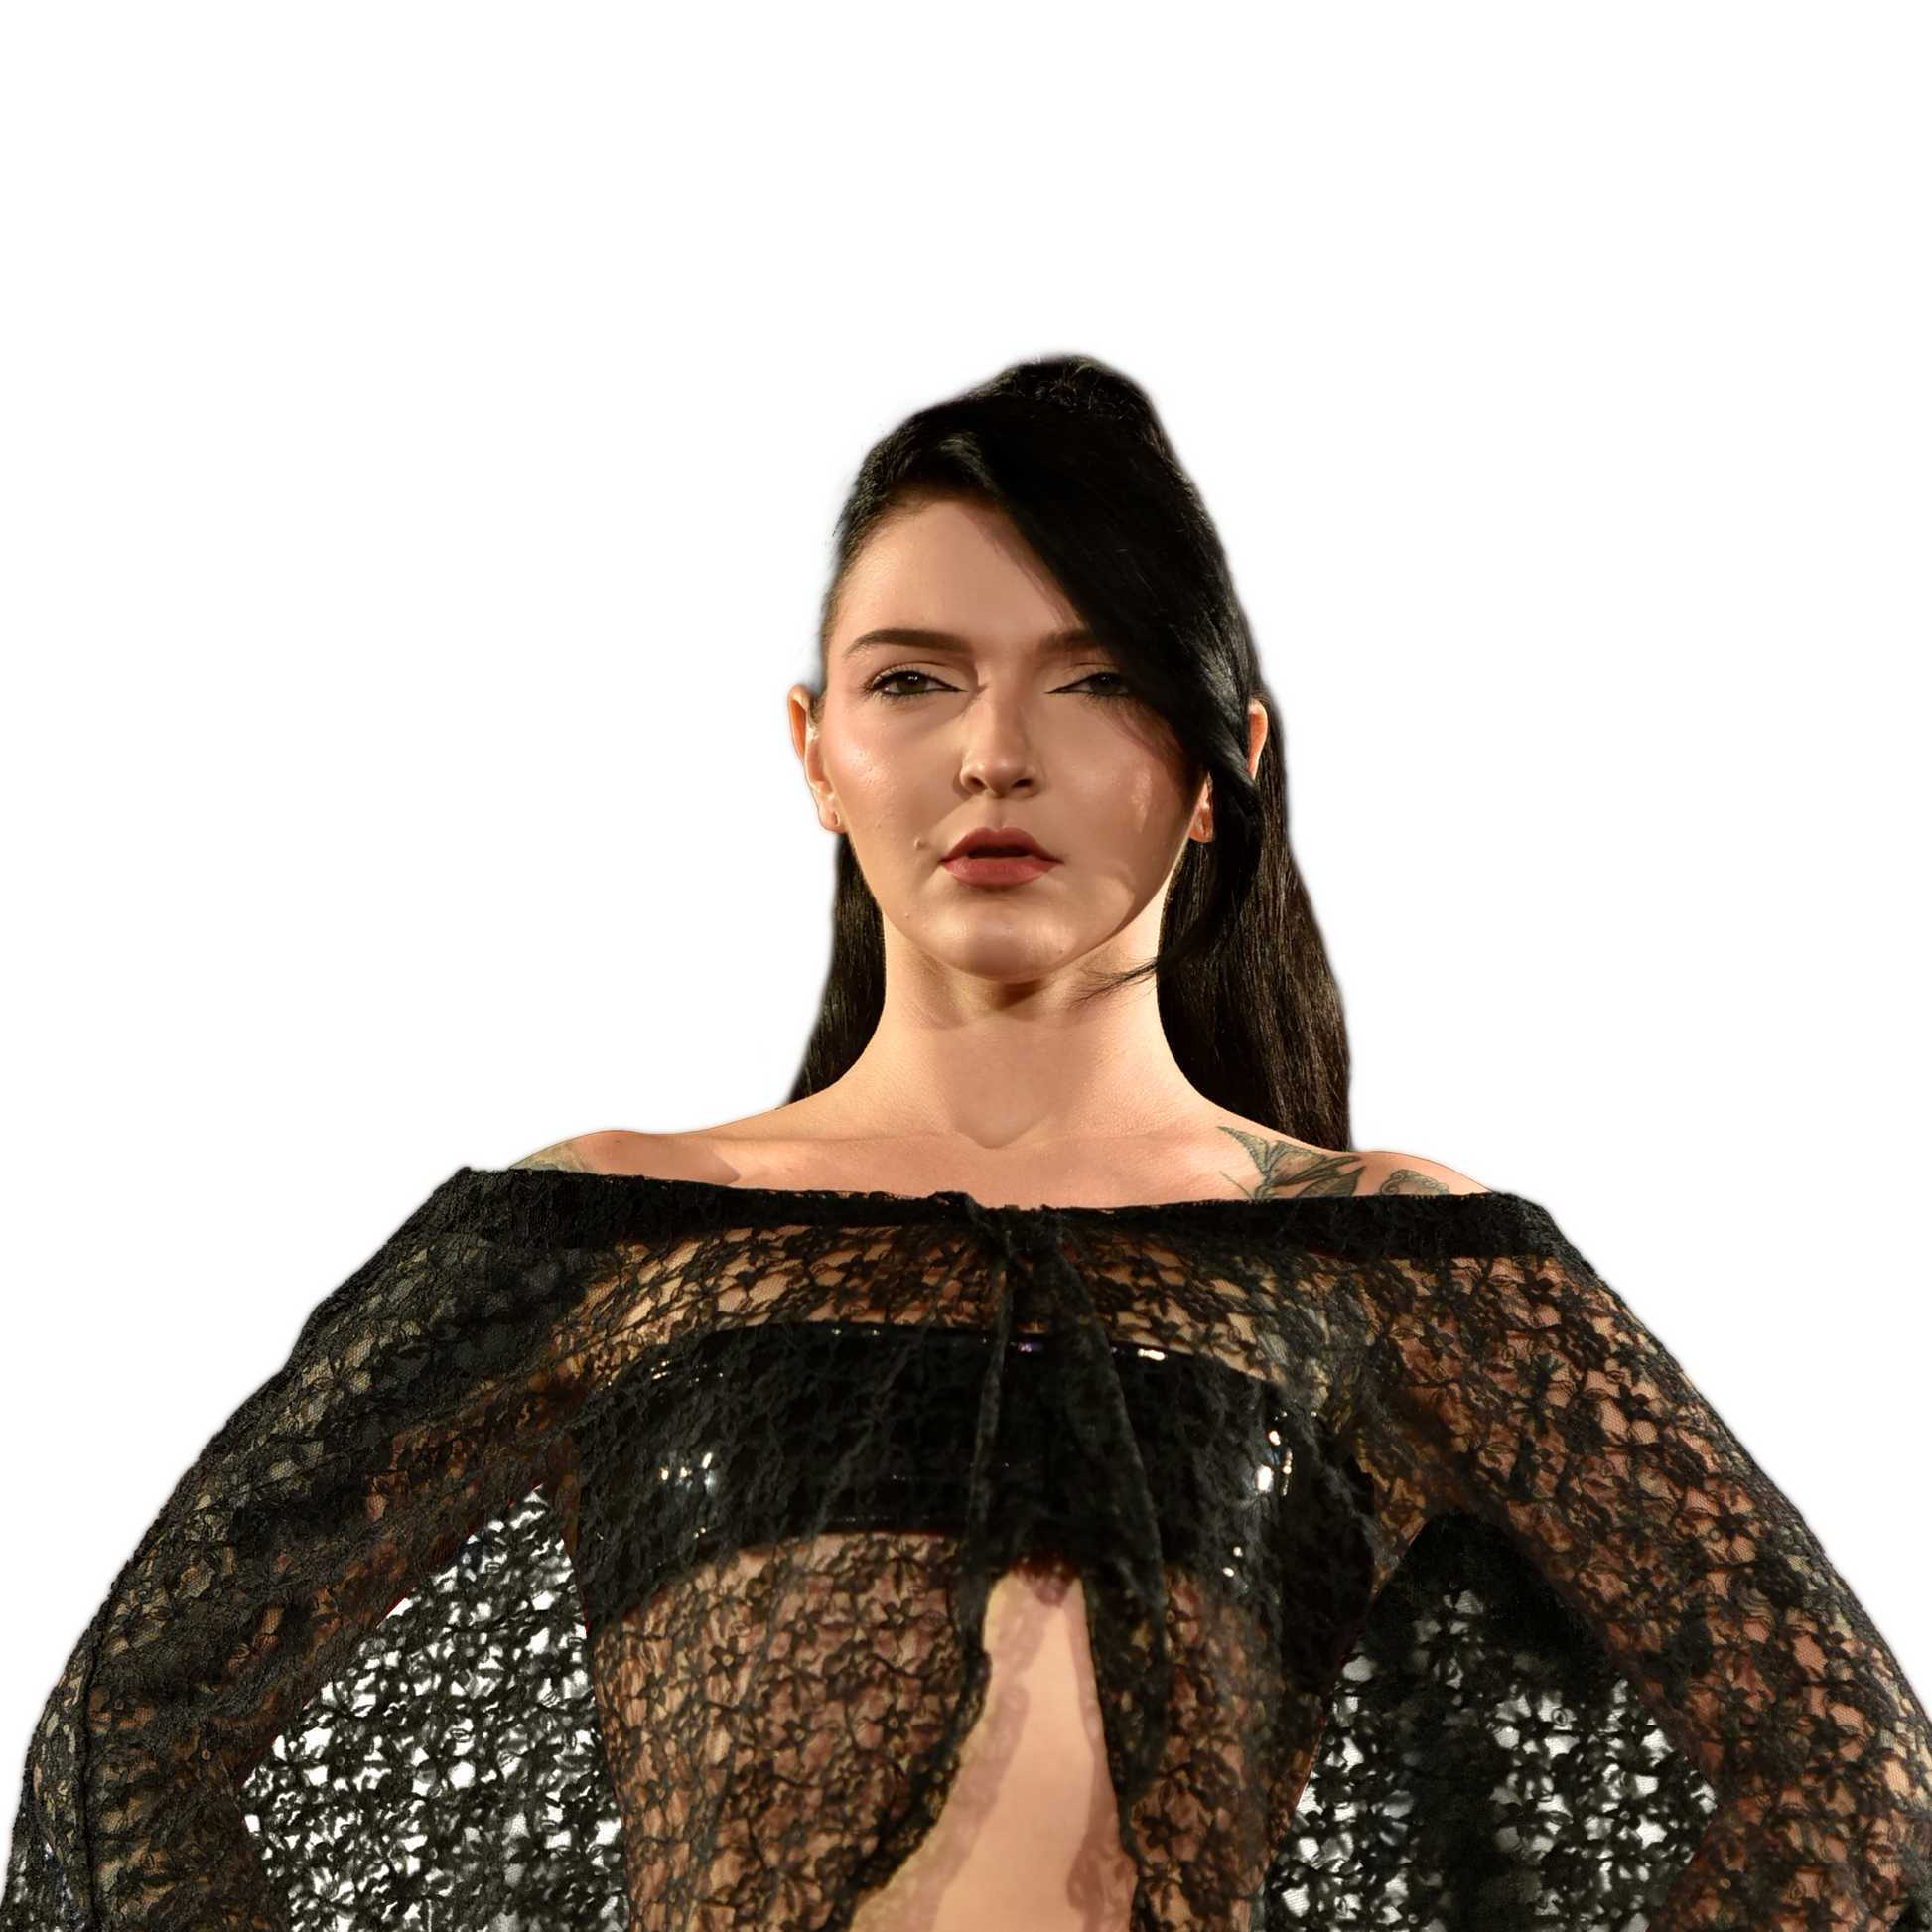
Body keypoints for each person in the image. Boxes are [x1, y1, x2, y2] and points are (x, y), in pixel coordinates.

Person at [5, 358, 1927, 1932]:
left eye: (1093, 678)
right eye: (914, 677)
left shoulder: (1386, 1256)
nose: (995, 750)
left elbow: (1843, 1776)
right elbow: (132, 1738)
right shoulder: (611, 1231)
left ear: (1224, 762)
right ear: (814, 747)